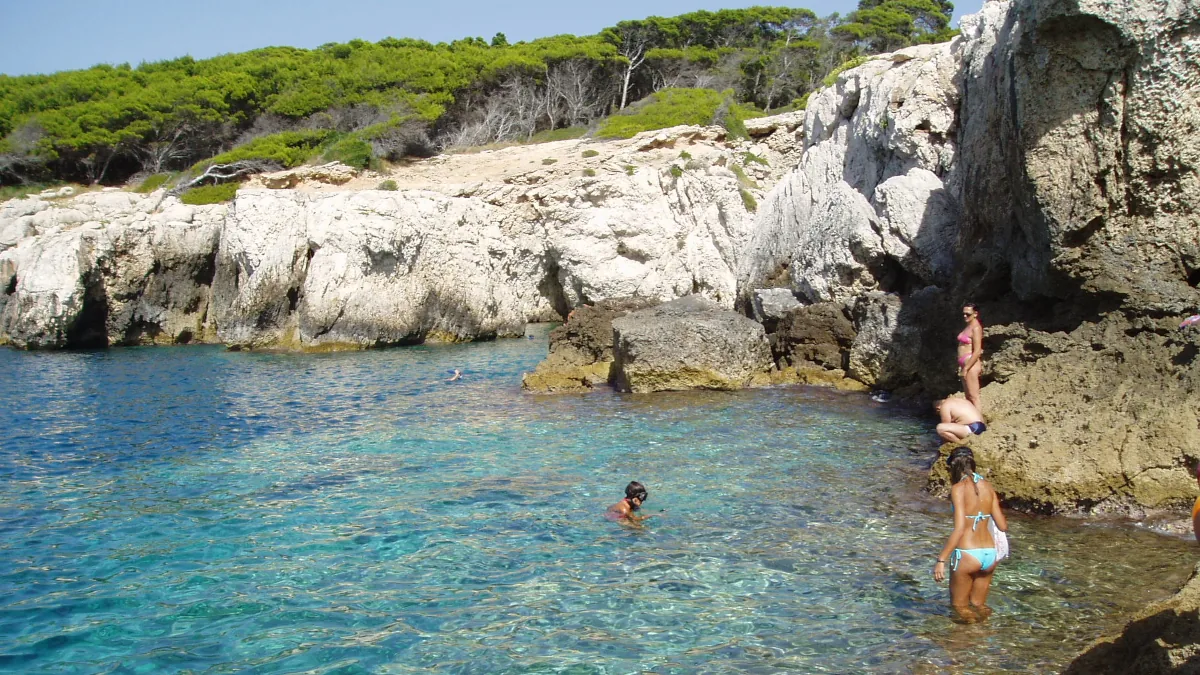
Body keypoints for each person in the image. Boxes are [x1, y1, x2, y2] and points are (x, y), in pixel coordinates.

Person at [934, 447, 1008, 623]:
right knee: (979, 605)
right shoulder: (988, 486)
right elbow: (1003, 525)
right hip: (990, 554)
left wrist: (941, 560)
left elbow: (959, 529)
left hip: (968, 554)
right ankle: (984, 638)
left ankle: (966, 641)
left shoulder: (958, 489)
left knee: (960, 607)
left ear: (953, 466)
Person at [957, 303, 984, 411]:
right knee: (968, 397)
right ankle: (972, 421)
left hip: (971, 364)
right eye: (964, 314)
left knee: (974, 397)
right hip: (964, 363)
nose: (965, 316)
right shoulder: (968, 326)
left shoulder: (976, 328)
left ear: (975, 314)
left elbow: (977, 351)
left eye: (968, 314)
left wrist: (966, 368)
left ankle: (980, 424)